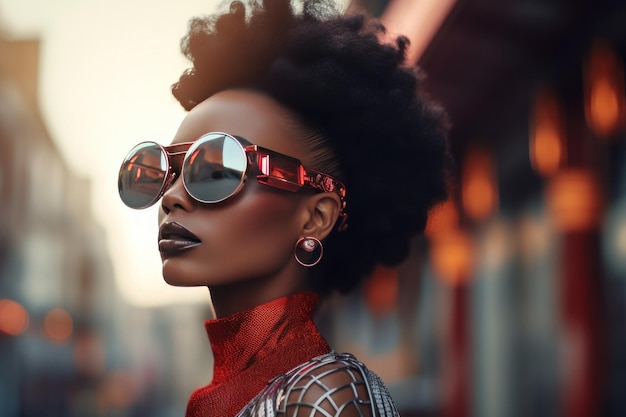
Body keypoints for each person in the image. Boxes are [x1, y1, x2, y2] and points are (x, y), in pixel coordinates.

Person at [117, 0, 450, 415]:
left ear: (316, 216)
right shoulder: (237, 392)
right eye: (165, 170)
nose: (171, 197)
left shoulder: (323, 394)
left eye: (216, 169)